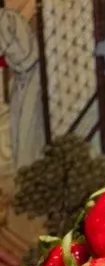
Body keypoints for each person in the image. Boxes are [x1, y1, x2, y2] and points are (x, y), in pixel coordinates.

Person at [0, 8, 45, 172]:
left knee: (27, 129)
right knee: (17, 127)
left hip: (33, 74)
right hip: (21, 77)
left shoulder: (7, 19)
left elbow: (22, 54)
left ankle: (29, 172)